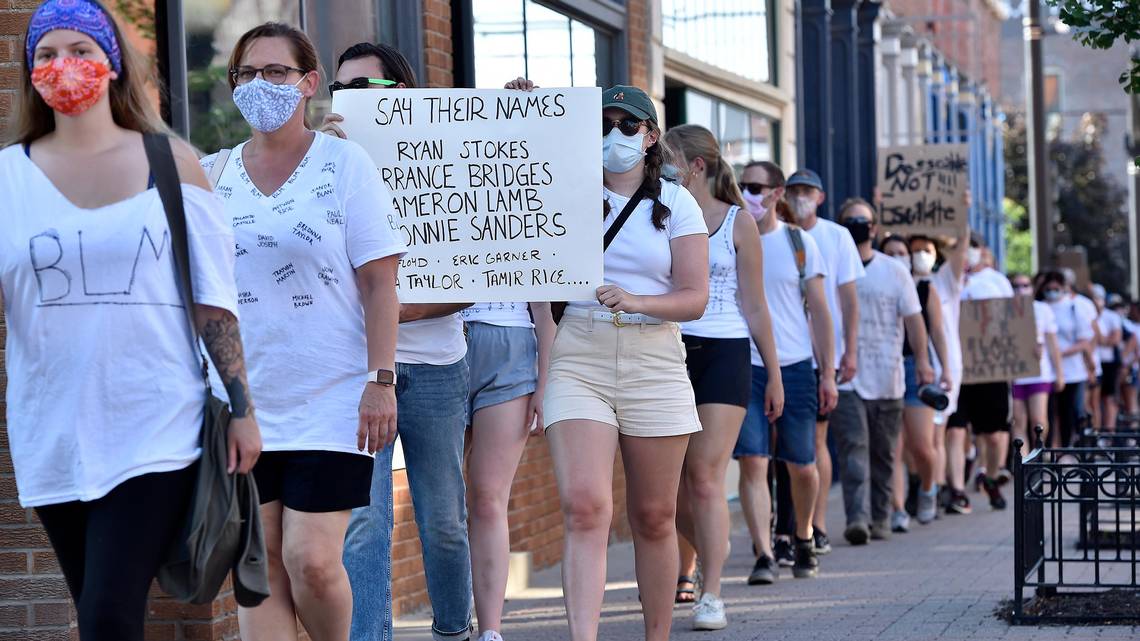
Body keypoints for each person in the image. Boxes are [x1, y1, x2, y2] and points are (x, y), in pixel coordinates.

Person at [3, 2, 261, 639]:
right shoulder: (7, 179)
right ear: (28, 70)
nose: (64, 66)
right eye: (46, 54)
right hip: (51, 430)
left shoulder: (171, 163)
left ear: (113, 64)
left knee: (109, 616)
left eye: (81, 51)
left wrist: (243, 408)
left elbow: (213, 300)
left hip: (155, 423)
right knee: (98, 609)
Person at [203, 24, 406, 640]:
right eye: (246, 74)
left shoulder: (345, 165)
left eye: (276, 73)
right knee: (259, 564)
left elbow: (379, 283)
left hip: (332, 397)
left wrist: (382, 381)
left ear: (308, 83)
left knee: (311, 560)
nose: (260, 85)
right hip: (243, 402)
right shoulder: (210, 176)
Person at [319, 42, 476, 641]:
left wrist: (395, 312)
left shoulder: (448, 160)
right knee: (363, 520)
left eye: (367, 87)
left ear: (402, 93)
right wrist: (324, 159)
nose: (353, 99)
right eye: (343, 88)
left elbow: (474, 282)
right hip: (359, 373)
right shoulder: (325, 164)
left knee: (443, 519)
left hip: (437, 367)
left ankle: (453, 630)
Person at [543, 85, 708, 641]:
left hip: (654, 357)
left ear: (651, 136)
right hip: (580, 356)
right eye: (603, 124)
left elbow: (695, 296)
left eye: (627, 125)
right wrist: (517, 110)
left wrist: (638, 301)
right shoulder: (563, 191)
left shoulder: (677, 203)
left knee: (655, 515)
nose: (614, 135)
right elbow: (507, 176)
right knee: (586, 506)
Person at [662, 127, 783, 629]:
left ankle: (711, 591)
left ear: (696, 166)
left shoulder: (738, 223)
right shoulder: (660, 213)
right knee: (671, 490)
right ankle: (717, 545)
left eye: (668, 159)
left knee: (706, 476)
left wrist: (772, 373)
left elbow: (755, 304)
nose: (661, 167)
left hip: (728, 351)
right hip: (668, 348)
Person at [728, 160, 837, 584]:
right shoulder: (729, 238)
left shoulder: (799, 242)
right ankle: (765, 553)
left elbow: (822, 312)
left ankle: (803, 533)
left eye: (755, 187)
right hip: (744, 364)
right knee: (753, 461)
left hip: (794, 365)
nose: (746, 193)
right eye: (741, 185)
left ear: (776, 193)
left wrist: (827, 372)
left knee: (801, 465)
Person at [831, 198, 933, 545]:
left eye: (863, 220)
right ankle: (857, 520)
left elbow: (914, 319)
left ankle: (881, 517)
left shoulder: (895, 270)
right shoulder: (831, 266)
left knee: (885, 453)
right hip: (846, 375)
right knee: (854, 447)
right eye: (850, 220)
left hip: (888, 374)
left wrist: (922, 361)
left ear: (874, 228)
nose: (858, 224)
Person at [779, 168, 863, 558]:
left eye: (806, 191)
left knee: (815, 440)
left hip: (822, 354)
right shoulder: (772, 232)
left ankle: (817, 523)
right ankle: (785, 526)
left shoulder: (836, 236)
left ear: (820, 197)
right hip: (783, 348)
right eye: (793, 190)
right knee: (778, 447)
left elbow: (848, 298)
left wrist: (849, 351)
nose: (799, 197)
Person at [462, 293, 555, 641]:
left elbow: (546, 304)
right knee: (443, 504)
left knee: (488, 498)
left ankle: (490, 629)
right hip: (439, 344)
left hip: (511, 347)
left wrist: (545, 384)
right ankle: (452, 620)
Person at [879, 235, 952, 530]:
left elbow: (936, 330)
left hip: (914, 368)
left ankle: (927, 489)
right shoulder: (874, 282)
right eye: (891, 252)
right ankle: (897, 509)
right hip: (883, 366)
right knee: (894, 447)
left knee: (922, 446)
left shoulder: (924, 287)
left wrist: (944, 368)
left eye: (902, 252)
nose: (897, 257)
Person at [945, 233, 1014, 512]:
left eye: (972, 247)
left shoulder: (997, 282)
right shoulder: (947, 280)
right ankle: (957, 490)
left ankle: (992, 476)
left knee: (994, 434)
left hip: (990, 368)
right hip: (956, 367)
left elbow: (1014, 324)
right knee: (955, 430)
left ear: (982, 251)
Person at [1009, 274, 1063, 455]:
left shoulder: (1042, 309)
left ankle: (1037, 454)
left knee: (1038, 419)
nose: (1020, 290)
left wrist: (1059, 373)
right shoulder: (1005, 311)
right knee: (1018, 420)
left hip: (1039, 372)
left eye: (1025, 285)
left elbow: (1052, 344)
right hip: (1014, 374)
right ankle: (1022, 461)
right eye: (1016, 286)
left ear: (1032, 287)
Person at [1043, 271, 1097, 448]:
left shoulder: (1075, 307)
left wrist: (1060, 352)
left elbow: (1086, 340)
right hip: (1046, 371)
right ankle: (1051, 449)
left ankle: (1068, 448)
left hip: (1072, 371)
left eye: (1056, 287)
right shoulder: (1041, 307)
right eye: (1048, 288)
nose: (1052, 291)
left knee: (1070, 412)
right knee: (1049, 414)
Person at [1092, 284, 1124, 431]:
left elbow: (1114, 340)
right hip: (1092, 363)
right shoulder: (1088, 314)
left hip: (1109, 363)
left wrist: (1101, 338)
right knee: (1094, 400)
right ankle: (1096, 433)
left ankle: (1109, 433)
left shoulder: (1112, 316)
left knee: (1109, 398)